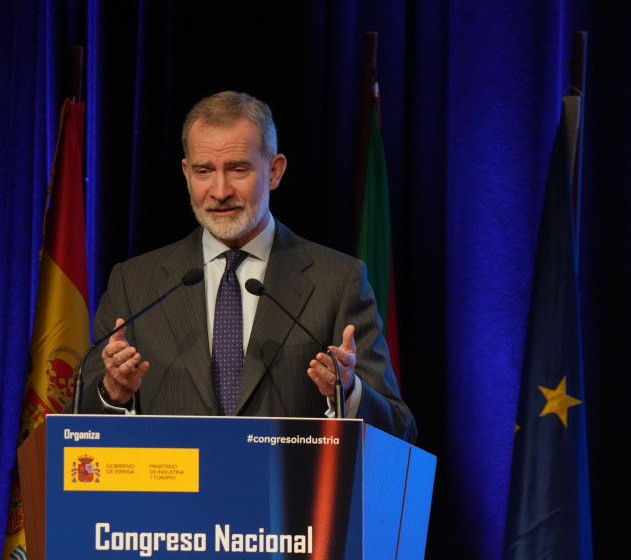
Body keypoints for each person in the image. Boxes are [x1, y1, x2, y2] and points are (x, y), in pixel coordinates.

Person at [74, 91, 416, 443]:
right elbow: (75, 428)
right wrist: (113, 393)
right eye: (204, 171)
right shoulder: (134, 284)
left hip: (286, 480)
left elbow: (399, 428)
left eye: (238, 169)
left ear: (274, 171)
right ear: (186, 173)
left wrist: (348, 391)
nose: (220, 190)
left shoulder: (338, 281)